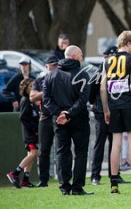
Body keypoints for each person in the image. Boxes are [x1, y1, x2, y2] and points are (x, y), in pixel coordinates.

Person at [100, 31, 131, 194]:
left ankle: (114, 183)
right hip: (129, 104)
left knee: (116, 143)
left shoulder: (107, 60)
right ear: (128, 43)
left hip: (113, 106)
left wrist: (106, 109)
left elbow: (102, 88)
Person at [43, 45, 93, 195]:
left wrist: (60, 113)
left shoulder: (51, 75)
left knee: (62, 151)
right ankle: (77, 187)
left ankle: (65, 186)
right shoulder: (82, 75)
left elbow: (46, 100)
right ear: (74, 57)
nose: (82, 58)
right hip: (79, 119)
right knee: (81, 152)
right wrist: (69, 113)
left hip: (59, 120)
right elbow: (83, 99)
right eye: (81, 55)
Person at [89, 45, 129, 185]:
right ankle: (95, 175)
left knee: (115, 145)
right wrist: (94, 104)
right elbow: (92, 90)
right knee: (100, 145)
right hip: (101, 112)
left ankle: (115, 174)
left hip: (115, 111)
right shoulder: (99, 72)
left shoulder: (118, 71)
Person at [29, 55, 59, 187]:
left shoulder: (62, 79)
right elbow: (32, 97)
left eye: (56, 65)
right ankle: (44, 179)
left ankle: (63, 177)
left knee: (61, 149)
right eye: (51, 65)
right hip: (45, 118)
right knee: (44, 150)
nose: (54, 67)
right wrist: (46, 90)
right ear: (46, 66)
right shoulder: (40, 80)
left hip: (59, 117)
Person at [6, 78, 39, 188]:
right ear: (25, 88)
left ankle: (25, 180)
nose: (32, 88)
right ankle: (14, 173)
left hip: (33, 132)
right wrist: (34, 130)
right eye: (30, 87)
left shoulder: (31, 100)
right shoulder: (25, 100)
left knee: (31, 155)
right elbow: (23, 117)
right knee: (34, 154)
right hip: (29, 134)